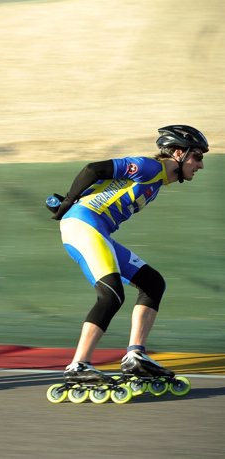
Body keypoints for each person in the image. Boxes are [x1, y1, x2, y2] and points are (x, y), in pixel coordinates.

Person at [50, 125, 208, 382]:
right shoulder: (149, 168)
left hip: (98, 231)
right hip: (84, 226)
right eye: (197, 157)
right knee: (111, 295)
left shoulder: (156, 183)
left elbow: (103, 185)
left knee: (152, 283)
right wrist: (69, 201)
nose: (200, 165)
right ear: (178, 153)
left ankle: (135, 356)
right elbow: (93, 169)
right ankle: (78, 365)